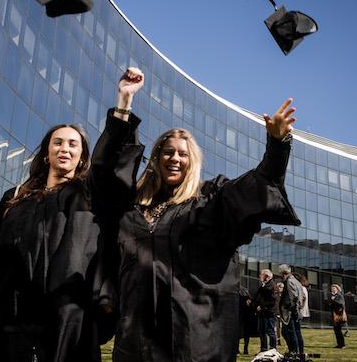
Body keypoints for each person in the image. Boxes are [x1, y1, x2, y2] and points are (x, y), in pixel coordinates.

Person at [91, 66, 301, 362]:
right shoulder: (132, 208)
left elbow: (251, 191)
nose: (174, 158)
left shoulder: (208, 201)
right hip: (136, 340)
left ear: (193, 162)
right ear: (156, 159)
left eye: (183, 153)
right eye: (167, 151)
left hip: (195, 339)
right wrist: (124, 101)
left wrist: (277, 146)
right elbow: (105, 177)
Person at [0, 109, 111, 362]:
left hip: (63, 316)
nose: (64, 149)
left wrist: (123, 103)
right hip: (8, 316)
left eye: (73, 144)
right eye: (57, 142)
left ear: (82, 157)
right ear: (46, 153)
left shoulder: (88, 197)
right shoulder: (15, 197)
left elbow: (112, 167)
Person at [278, 264, 304, 360]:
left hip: (290, 312)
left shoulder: (289, 281)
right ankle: (300, 352)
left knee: (289, 332)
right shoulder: (297, 281)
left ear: (283, 273)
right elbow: (302, 297)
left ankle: (294, 352)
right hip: (296, 311)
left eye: (280, 273)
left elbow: (294, 297)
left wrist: (293, 308)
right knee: (297, 332)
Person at [255, 269, 278, 353]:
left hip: (269, 312)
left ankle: (273, 349)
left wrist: (262, 306)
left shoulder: (272, 286)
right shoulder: (263, 285)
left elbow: (272, 300)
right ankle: (263, 349)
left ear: (267, 277)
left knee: (270, 331)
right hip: (263, 312)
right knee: (262, 331)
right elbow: (258, 297)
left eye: (261, 275)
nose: (259, 276)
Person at [238, 285, 257, 355]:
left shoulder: (237, 290)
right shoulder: (245, 290)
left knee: (239, 333)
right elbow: (249, 301)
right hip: (246, 314)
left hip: (240, 314)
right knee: (246, 333)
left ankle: (238, 349)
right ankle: (245, 349)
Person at [329, 284, 347, 349]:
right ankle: (339, 344)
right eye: (332, 288)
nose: (333, 289)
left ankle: (342, 344)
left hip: (339, 315)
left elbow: (341, 304)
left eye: (334, 288)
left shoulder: (339, 295)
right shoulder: (332, 296)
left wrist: (333, 300)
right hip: (334, 314)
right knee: (336, 330)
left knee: (339, 330)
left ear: (337, 289)